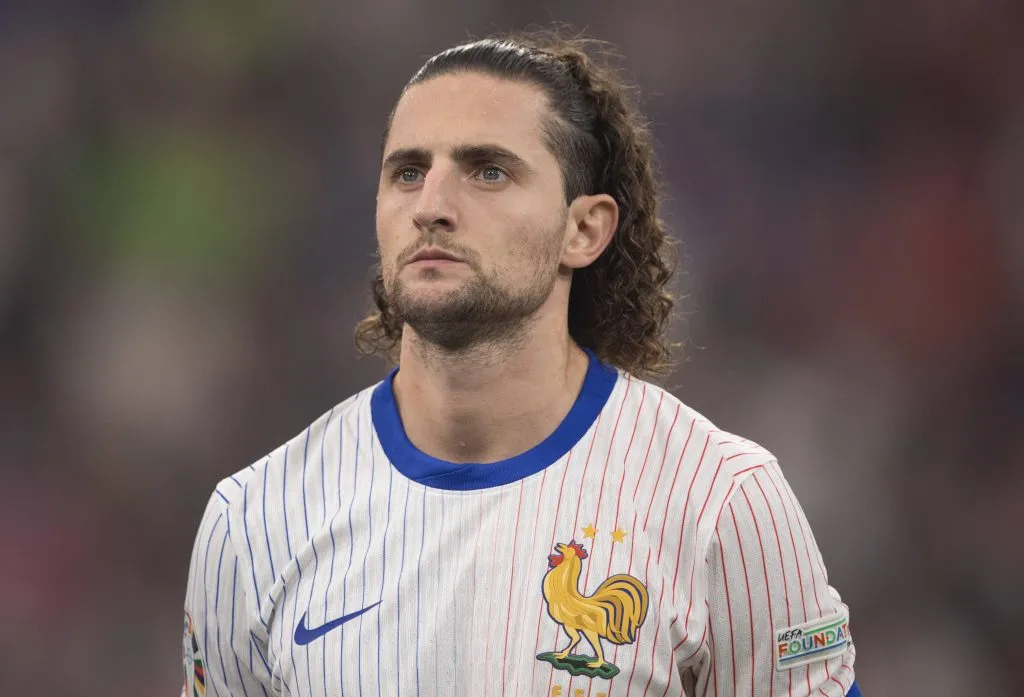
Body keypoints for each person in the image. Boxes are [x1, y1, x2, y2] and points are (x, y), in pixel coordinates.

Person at [182, 29, 860, 697]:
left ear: (583, 228)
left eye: (489, 171)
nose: (432, 207)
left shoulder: (721, 501)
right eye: (409, 172)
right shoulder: (252, 521)